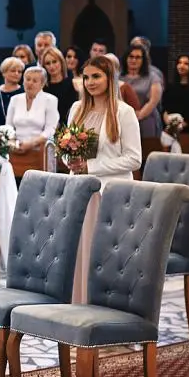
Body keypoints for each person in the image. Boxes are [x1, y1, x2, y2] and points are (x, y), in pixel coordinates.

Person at [64, 55, 142, 303]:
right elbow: (67, 151)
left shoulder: (124, 112)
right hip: (81, 190)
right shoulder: (77, 109)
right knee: (80, 253)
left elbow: (134, 159)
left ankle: (111, 309)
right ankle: (81, 305)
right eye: (86, 77)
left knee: (108, 255)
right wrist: (72, 161)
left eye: (96, 76)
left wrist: (92, 166)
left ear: (110, 78)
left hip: (111, 194)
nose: (89, 82)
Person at [1, 65, 59, 154]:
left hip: (40, 149)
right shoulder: (15, 99)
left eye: (35, 81)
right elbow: (8, 126)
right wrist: (12, 143)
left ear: (42, 84)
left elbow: (50, 130)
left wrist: (31, 143)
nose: (30, 83)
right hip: (15, 148)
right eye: (27, 79)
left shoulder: (50, 100)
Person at [123, 44, 164, 138]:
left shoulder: (153, 77)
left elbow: (153, 101)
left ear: (143, 60)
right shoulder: (118, 77)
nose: (134, 60)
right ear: (126, 58)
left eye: (138, 57)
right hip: (124, 117)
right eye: (131, 57)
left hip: (146, 116)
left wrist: (139, 116)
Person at [41, 45, 78, 132]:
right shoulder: (43, 88)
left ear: (61, 62)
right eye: (48, 63)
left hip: (68, 130)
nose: (52, 66)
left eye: (54, 62)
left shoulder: (72, 84)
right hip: (47, 131)